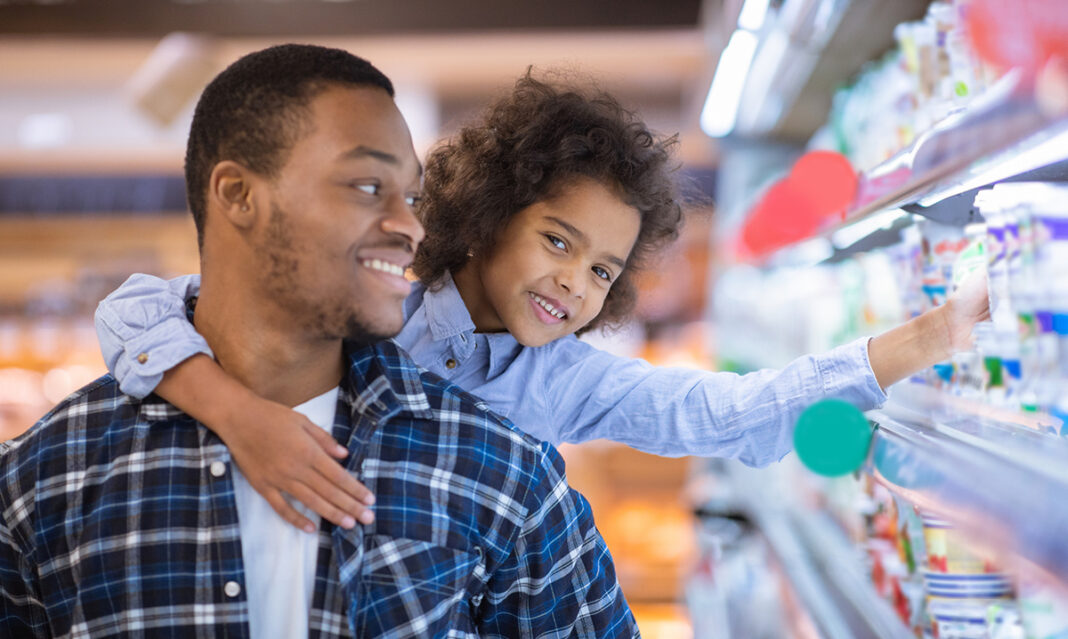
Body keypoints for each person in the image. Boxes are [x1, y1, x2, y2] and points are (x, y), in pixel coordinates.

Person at [93, 73, 991, 534]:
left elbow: (718, 412)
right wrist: (242, 417)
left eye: (603, 270)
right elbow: (135, 310)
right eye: (558, 241)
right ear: (484, 218)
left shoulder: (554, 379)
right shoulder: (374, 298)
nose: (575, 282)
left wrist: (930, 336)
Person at [0, 44, 637, 638]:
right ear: (238, 194)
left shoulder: (502, 474)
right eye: (367, 187)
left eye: (412, 197)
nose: (410, 226)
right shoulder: (43, 480)